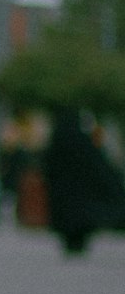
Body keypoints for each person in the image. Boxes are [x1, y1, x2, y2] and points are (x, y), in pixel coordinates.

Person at [41, 106, 125, 255]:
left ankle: (70, 243)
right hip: (80, 194)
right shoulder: (83, 141)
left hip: (63, 193)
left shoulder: (58, 140)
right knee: (79, 218)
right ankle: (78, 243)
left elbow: (48, 164)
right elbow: (98, 166)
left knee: (67, 217)